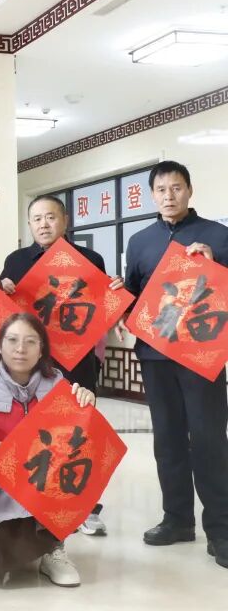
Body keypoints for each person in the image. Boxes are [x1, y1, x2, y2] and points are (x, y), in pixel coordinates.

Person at [121, 161, 228, 568]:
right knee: (167, 439)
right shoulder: (140, 241)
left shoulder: (218, 235)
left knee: (209, 439)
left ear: (189, 190)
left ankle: (221, 529)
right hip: (155, 353)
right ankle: (177, 519)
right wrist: (116, 295)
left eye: (177, 187)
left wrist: (214, 263)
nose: (169, 196)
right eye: (162, 189)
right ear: (152, 195)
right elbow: (134, 295)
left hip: (201, 355)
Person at [0, 193, 125, 536]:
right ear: (29, 224)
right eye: (37, 219)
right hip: (30, 362)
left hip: (77, 360)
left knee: (77, 431)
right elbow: (5, 311)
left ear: (65, 221)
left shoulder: (90, 258)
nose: (44, 224)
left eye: (51, 217)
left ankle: (84, 508)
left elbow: (102, 304)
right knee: (31, 430)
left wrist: (116, 292)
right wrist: (1, 287)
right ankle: (33, 502)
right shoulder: (16, 261)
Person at [0, 313, 93, 586]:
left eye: (30, 341)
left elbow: (76, 447)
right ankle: (32, 544)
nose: (20, 349)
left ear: (42, 349)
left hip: (44, 490)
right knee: (3, 545)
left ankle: (54, 548)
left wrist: (86, 405)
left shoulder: (60, 389)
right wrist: (8, 476)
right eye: (12, 340)